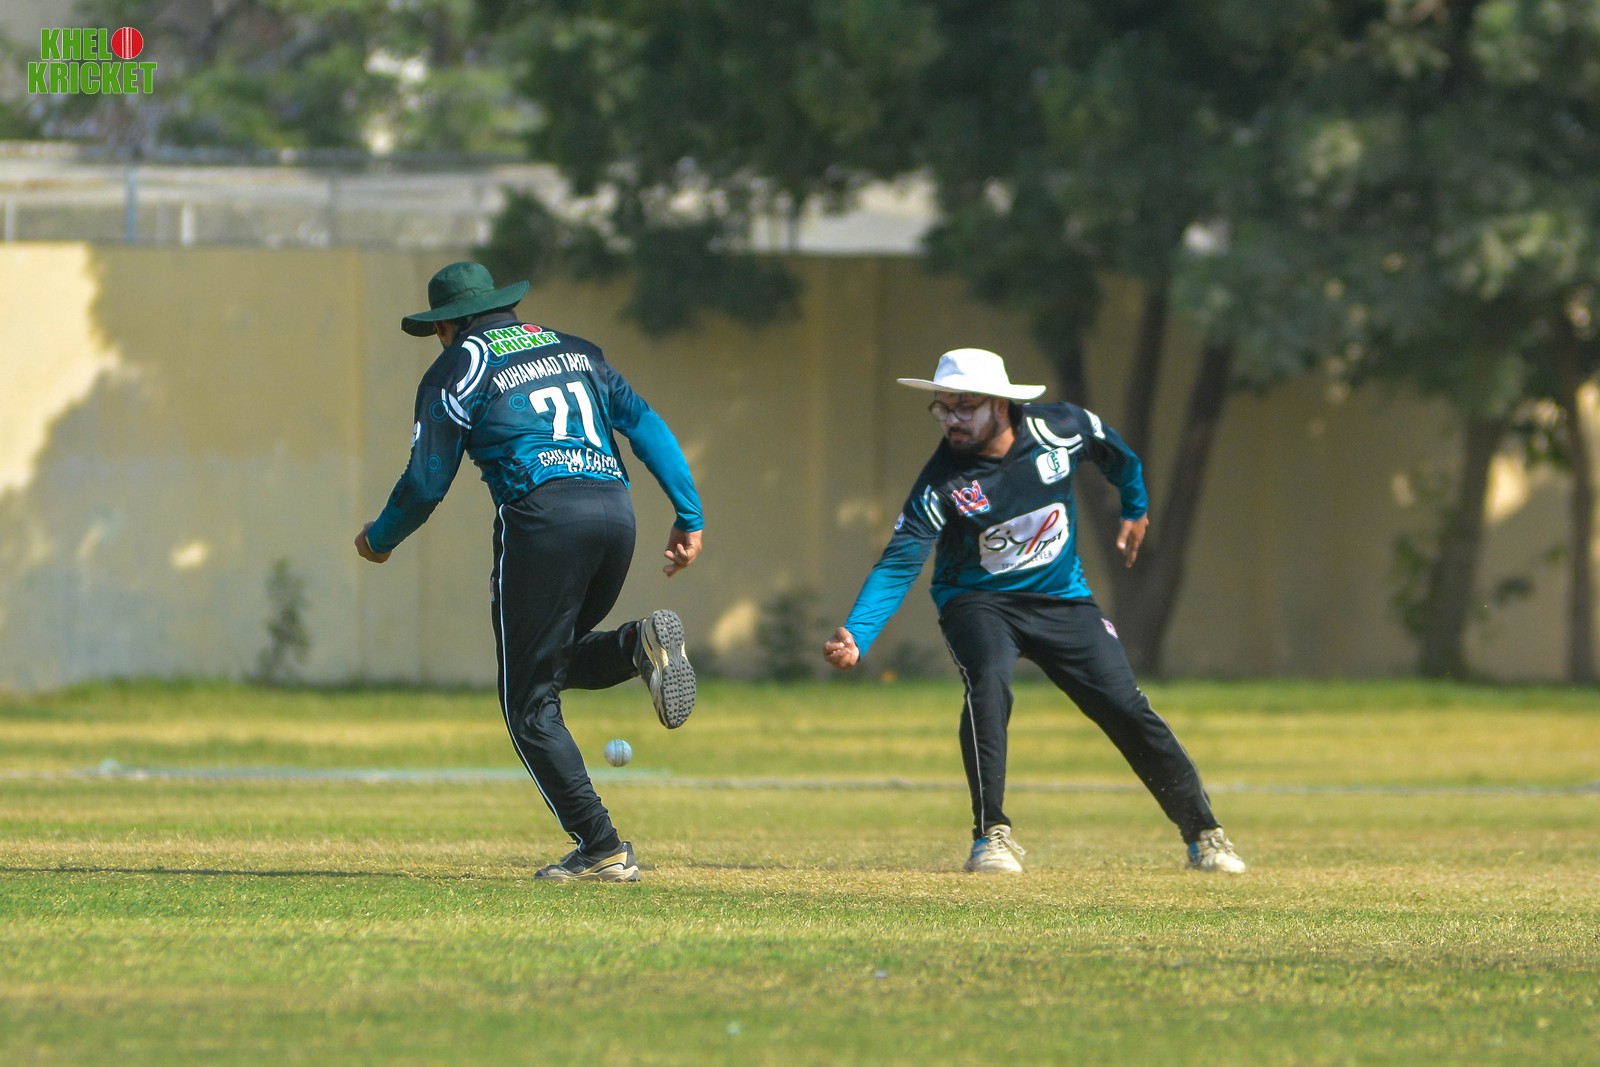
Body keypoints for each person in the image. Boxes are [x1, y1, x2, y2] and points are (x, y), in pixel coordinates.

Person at [823, 347, 1245, 875]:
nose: (951, 420)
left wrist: (1135, 507)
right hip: (977, 600)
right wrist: (858, 633)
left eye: (964, 407)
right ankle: (991, 837)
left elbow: (1120, 457)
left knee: (1125, 705)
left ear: (1000, 405)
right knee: (989, 684)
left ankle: (1205, 836)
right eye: (942, 408)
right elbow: (898, 564)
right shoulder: (941, 484)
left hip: (1062, 599)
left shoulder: (1062, 429)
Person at [354, 261, 703, 883]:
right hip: (615, 516)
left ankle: (601, 847)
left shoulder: (457, 368)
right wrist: (688, 513)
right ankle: (636, 645)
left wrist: (380, 538)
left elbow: (427, 481)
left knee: (528, 703)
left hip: (544, 522)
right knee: (550, 659)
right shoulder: (577, 351)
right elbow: (646, 425)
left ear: (449, 325)